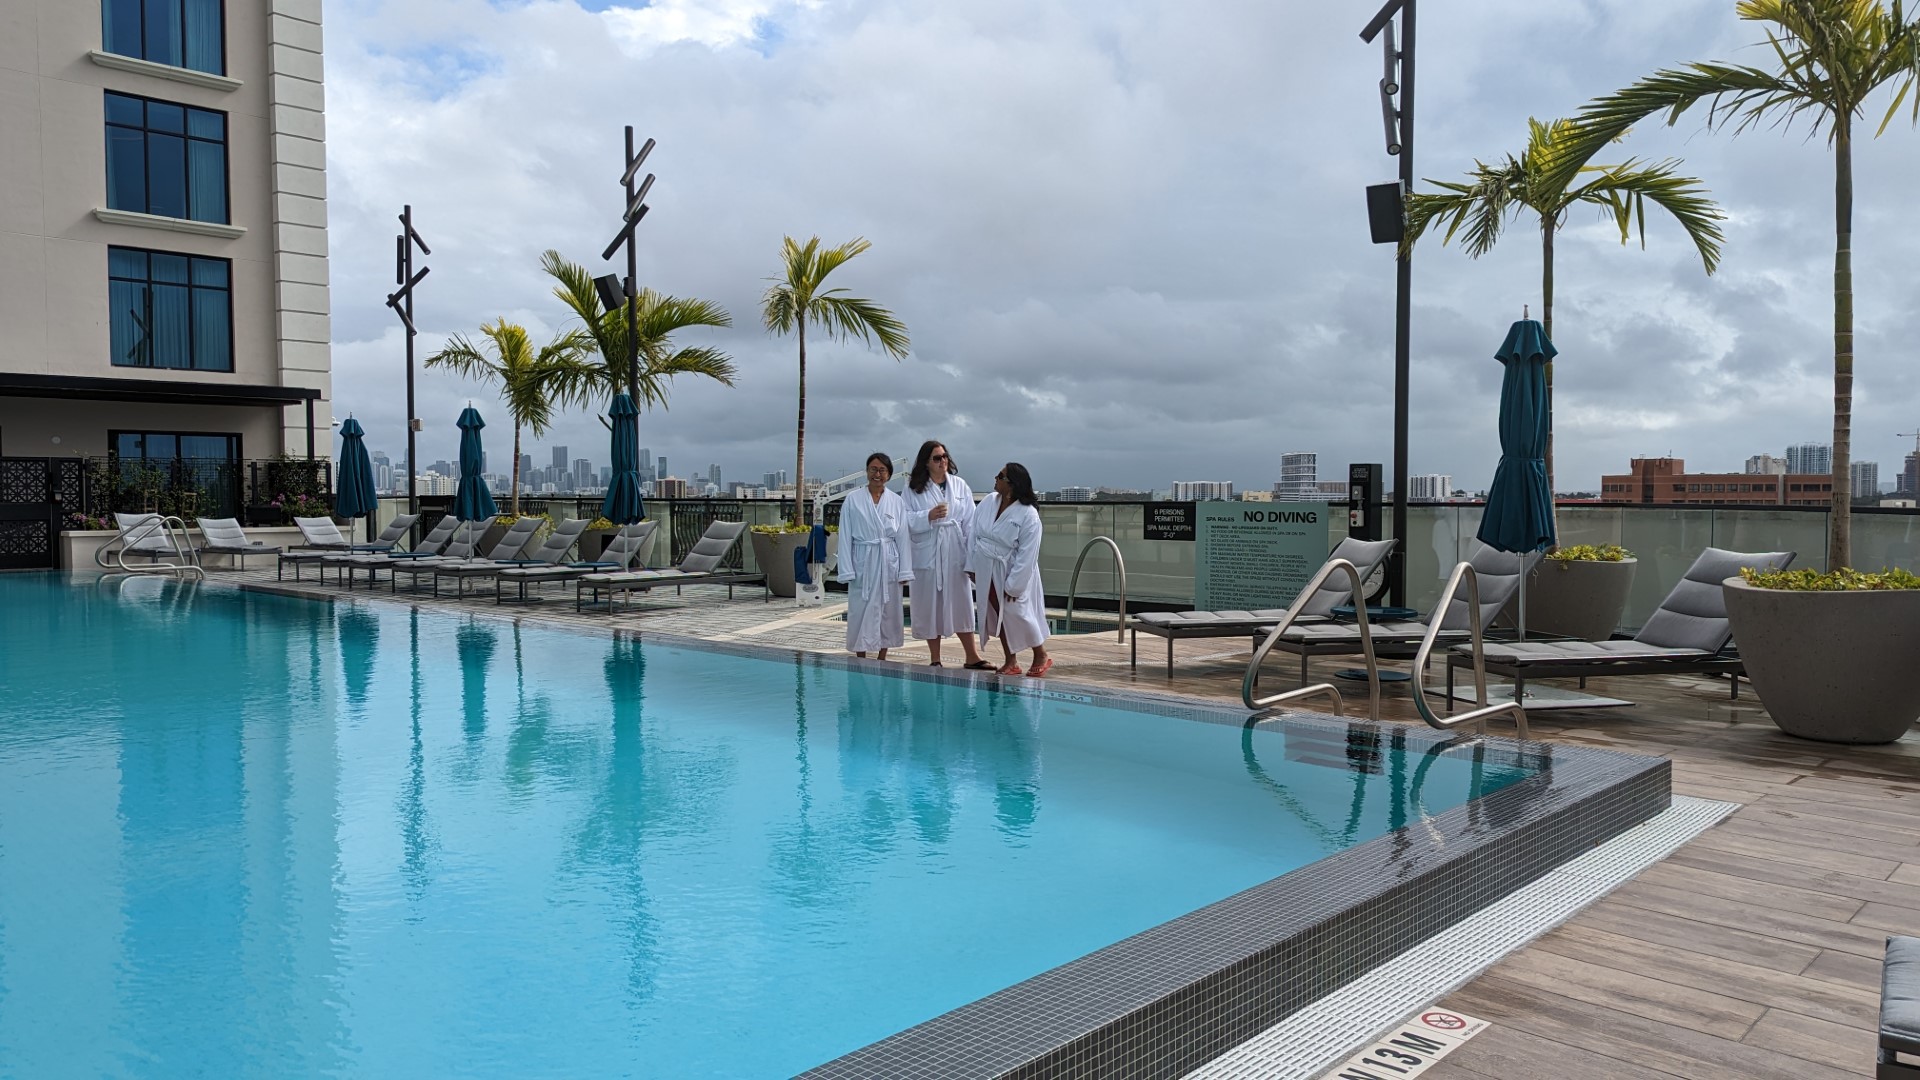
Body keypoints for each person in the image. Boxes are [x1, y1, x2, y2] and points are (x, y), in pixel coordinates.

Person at [901, 440, 989, 669]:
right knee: (930, 605)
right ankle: (935, 659)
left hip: (954, 551)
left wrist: (972, 560)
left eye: (944, 456)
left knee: (961, 603)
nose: (943, 461)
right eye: (937, 458)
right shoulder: (913, 489)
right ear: (926, 463)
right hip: (928, 553)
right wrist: (927, 516)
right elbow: (904, 520)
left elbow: (971, 524)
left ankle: (972, 656)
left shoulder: (960, 486)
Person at [967, 462, 1051, 676]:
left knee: (1020, 614)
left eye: (1000, 476)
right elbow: (972, 534)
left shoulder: (1028, 515)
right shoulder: (987, 502)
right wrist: (971, 565)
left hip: (1012, 570)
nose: (995, 478)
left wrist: (1015, 585)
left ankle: (1041, 654)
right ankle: (1011, 660)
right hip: (987, 568)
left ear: (1012, 484)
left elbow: (1028, 554)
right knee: (998, 615)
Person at [839, 452, 914, 659]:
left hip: (888, 562)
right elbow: (845, 535)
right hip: (863, 561)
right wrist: (847, 570)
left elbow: (902, 538)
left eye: (882, 470)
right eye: (873, 469)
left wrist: (904, 570)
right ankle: (860, 655)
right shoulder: (852, 500)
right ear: (867, 472)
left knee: (888, 611)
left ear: (889, 474)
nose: (877, 474)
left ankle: (883, 655)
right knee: (859, 610)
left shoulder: (896, 502)